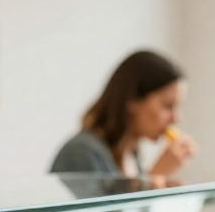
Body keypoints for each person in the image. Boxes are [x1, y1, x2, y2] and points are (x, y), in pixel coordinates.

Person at [51, 50, 197, 179]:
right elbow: (109, 210)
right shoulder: (81, 153)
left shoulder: (132, 156)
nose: (175, 118)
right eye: (167, 106)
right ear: (132, 99)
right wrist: (155, 177)